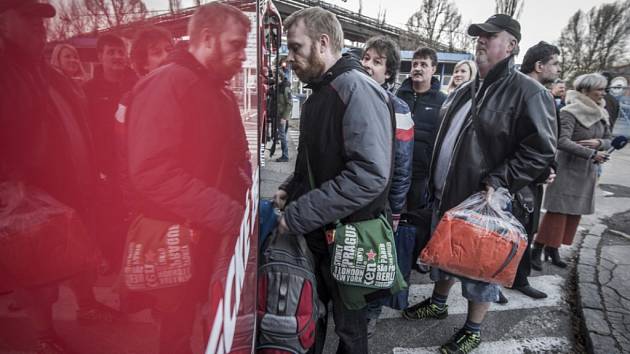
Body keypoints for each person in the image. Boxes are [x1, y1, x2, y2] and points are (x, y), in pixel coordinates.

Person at [401, 14, 557, 354]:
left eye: (490, 35)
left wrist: (500, 179)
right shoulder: (468, 89)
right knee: (444, 253)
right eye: (478, 36)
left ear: (511, 45)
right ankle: (438, 303)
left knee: (479, 271)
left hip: (483, 202)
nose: (480, 40)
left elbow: (541, 150)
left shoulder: (527, 92)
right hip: (447, 194)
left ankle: (473, 330)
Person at [125, 3, 251, 353]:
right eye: (236, 45)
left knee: (205, 324)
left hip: (205, 236)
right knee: (177, 334)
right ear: (207, 39)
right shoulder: (167, 84)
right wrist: (229, 213)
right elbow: (152, 172)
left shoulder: (215, 88)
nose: (242, 55)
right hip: (179, 238)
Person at [0, 1, 121, 352]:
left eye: (41, 23)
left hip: (70, 182)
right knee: (38, 270)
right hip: (31, 189)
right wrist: (10, 177)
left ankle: (87, 305)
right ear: (3, 22)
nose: (40, 29)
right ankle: (44, 334)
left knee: (80, 249)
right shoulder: (6, 71)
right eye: (29, 21)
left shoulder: (40, 70)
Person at [273, 7, 394, 353]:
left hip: (349, 239)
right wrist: (289, 187)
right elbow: (315, 159)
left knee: (351, 333)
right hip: (322, 236)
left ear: (323, 43)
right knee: (314, 319)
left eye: (296, 47)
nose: (290, 57)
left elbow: (369, 176)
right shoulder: (322, 91)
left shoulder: (355, 89)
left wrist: (297, 215)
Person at [360, 35, 414, 337]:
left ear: (389, 73)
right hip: (345, 203)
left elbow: (403, 167)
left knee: (373, 267)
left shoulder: (399, 108)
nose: (368, 66)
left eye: (377, 62)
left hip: (377, 207)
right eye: (366, 58)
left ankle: (369, 319)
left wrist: (393, 215)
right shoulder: (346, 94)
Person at [534, 73, 612, 268]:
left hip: (587, 171)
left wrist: (599, 143)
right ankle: (537, 249)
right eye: (600, 89)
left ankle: (553, 248)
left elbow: (609, 138)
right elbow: (560, 141)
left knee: (573, 213)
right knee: (558, 213)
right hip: (567, 169)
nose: (603, 93)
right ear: (586, 90)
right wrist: (591, 153)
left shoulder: (602, 112)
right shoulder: (569, 111)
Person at [506, 41, 562, 300]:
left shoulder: (540, 93)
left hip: (530, 179)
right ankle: (500, 280)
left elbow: (549, 139)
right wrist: (539, 170)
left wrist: (550, 167)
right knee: (510, 233)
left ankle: (517, 278)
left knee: (525, 232)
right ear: (539, 66)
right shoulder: (525, 93)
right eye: (555, 63)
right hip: (517, 180)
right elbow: (524, 142)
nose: (558, 69)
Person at [83, 33, 138, 271]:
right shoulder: (88, 90)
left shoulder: (137, 84)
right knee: (110, 215)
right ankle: (114, 261)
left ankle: (132, 259)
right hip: (105, 166)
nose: (117, 56)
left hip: (135, 163)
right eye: (111, 52)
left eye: (120, 51)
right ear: (100, 56)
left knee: (134, 214)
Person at [114, 26, 173, 212]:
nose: (166, 56)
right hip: (152, 208)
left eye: (169, 50)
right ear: (144, 63)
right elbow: (124, 160)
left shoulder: (179, 93)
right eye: (156, 53)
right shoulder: (131, 102)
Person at [396, 47, 447, 211]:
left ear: (433, 69)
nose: (417, 68)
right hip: (395, 175)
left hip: (421, 180)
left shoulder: (443, 102)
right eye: (415, 64)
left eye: (424, 64)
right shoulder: (398, 97)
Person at [275, 70, 292, 162]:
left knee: (282, 136)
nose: (274, 78)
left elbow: (289, 104)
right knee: (282, 135)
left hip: (282, 116)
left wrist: (284, 117)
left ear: (280, 77)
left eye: (275, 77)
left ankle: (285, 156)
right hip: (279, 114)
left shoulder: (285, 87)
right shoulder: (279, 86)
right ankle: (284, 154)